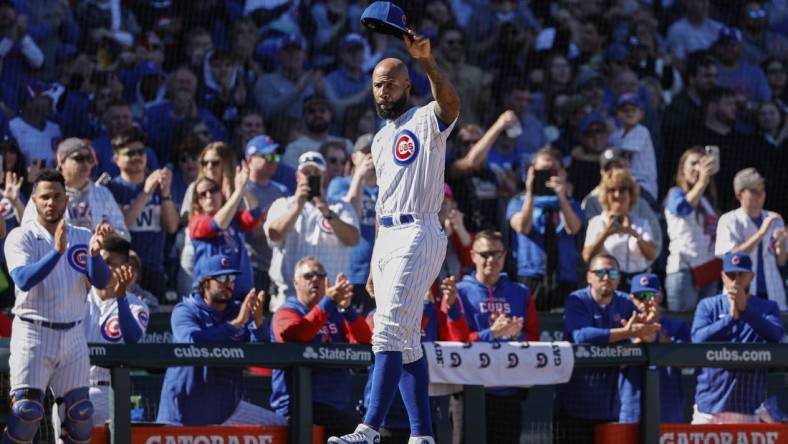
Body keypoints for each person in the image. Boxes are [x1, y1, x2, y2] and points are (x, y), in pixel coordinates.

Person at [329, 25, 461, 444]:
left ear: (407, 85)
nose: (382, 91)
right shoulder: (381, 138)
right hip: (388, 235)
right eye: (376, 85)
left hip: (420, 229)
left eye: (390, 83)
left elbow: (452, 105)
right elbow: (383, 202)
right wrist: (374, 261)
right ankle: (422, 435)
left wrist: (427, 61)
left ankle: (369, 427)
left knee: (385, 331)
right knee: (406, 342)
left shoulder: (425, 118)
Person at [2, 170, 111, 443]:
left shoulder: (83, 235)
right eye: (45, 197)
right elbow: (23, 280)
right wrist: (56, 252)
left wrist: (96, 256)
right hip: (33, 332)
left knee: (80, 415)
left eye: (57, 197)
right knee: (26, 413)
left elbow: (102, 281)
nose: (51, 202)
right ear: (35, 201)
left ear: (66, 200)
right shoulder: (21, 236)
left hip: (73, 334)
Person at [157, 254, 286, 426]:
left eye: (232, 278)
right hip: (183, 410)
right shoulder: (185, 310)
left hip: (227, 411)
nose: (228, 283)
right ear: (205, 282)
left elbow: (262, 353)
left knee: (280, 427)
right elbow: (191, 342)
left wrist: (258, 322)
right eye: (222, 278)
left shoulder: (238, 310)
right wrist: (235, 325)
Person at [553, 254, 659, 444]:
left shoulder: (626, 302)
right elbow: (581, 336)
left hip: (608, 407)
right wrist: (626, 332)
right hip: (574, 403)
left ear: (619, 277)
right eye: (600, 272)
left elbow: (636, 343)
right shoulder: (577, 300)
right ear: (589, 277)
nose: (606, 277)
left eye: (612, 272)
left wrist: (645, 334)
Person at [453, 230, 539, 444]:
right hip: (469, 391)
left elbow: (534, 337)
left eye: (497, 254)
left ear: (505, 256)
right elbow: (456, 341)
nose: (491, 259)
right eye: (485, 254)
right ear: (473, 256)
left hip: (508, 392)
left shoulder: (520, 291)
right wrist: (492, 333)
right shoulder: (460, 292)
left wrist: (517, 335)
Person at [270, 257, 371, 437]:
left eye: (320, 275)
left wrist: (347, 309)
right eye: (308, 275)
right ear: (296, 283)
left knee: (365, 433)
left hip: (337, 408)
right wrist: (328, 302)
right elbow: (297, 334)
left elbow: (364, 342)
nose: (315, 279)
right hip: (297, 408)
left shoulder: (336, 314)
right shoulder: (286, 312)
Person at [691, 252, 785, 423]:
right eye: (730, 274)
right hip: (709, 408)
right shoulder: (708, 305)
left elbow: (776, 335)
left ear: (752, 276)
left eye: (741, 274)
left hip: (747, 408)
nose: (735, 280)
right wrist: (730, 319)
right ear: (722, 276)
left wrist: (745, 311)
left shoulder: (767, 307)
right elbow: (697, 339)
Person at [69, 235, 148, 427]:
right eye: (99, 261)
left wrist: (121, 297)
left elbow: (132, 338)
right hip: (69, 388)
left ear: (125, 266)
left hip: (108, 392)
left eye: (109, 262)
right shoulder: (75, 296)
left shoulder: (136, 306)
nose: (103, 267)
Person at [264, 151, 359, 308]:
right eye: (306, 172)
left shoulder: (340, 207)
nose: (310, 177)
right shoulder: (282, 204)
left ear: (325, 176)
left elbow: (353, 239)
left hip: (330, 297)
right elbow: (274, 235)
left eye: (316, 173)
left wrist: (326, 210)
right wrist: (298, 206)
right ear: (297, 176)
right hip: (289, 297)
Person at [106, 127, 179, 299]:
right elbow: (123, 223)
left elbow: (172, 227)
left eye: (141, 152)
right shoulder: (110, 189)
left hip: (154, 270)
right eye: (130, 153)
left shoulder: (159, 186)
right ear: (116, 159)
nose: (137, 157)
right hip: (124, 270)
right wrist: (145, 193)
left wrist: (166, 192)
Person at [508, 147, 583, 311]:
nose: (547, 175)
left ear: (562, 173)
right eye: (541, 171)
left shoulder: (571, 204)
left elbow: (574, 228)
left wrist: (562, 196)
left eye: (552, 171)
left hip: (564, 276)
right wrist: (530, 191)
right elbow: (523, 227)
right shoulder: (518, 202)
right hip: (531, 275)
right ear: (531, 172)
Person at [21, 138, 130, 241]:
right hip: (59, 257)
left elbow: (124, 235)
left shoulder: (102, 193)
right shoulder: (45, 192)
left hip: (95, 257)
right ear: (62, 161)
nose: (86, 163)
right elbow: (28, 231)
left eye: (89, 158)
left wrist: (108, 235)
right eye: (79, 158)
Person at [618, 273, 691, 424]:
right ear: (632, 299)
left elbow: (687, 361)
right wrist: (639, 336)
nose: (645, 301)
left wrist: (657, 334)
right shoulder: (623, 325)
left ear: (661, 297)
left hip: (668, 409)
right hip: (631, 409)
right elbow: (617, 363)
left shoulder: (677, 326)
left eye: (650, 295)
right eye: (640, 296)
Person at [715, 168, 787, 311]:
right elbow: (731, 256)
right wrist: (761, 233)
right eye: (754, 191)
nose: (760, 195)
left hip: (772, 291)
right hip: (742, 293)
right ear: (739, 194)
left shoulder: (775, 218)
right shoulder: (728, 220)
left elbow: (782, 261)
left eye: (762, 190)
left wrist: (782, 243)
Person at [188, 161, 263, 298]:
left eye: (213, 190)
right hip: (209, 295)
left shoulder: (234, 219)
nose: (209, 196)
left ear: (220, 193)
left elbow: (255, 213)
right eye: (203, 194)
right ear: (198, 201)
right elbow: (218, 224)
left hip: (239, 292)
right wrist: (238, 191)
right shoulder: (196, 221)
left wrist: (244, 188)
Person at [664, 147, 721, 311]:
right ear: (683, 168)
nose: (698, 168)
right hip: (684, 270)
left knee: (707, 323)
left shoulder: (708, 200)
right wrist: (703, 181)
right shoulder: (675, 193)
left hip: (709, 270)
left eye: (702, 163)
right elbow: (682, 208)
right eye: (693, 163)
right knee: (684, 326)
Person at [327, 135, 378, 313]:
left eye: (375, 151)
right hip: (351, 272)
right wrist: (358, 178)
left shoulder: (388, 186)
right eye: (366, 152)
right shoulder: (339, 184)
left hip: (379, 273)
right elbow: (349, 217)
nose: (371, 157)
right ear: (354, 157)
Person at [582, 168, 658, 288]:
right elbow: (587, 256)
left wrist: (632, 232)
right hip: (608, 282)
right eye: (612, 190)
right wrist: (606, 233)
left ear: (631, 195)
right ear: (605, 195)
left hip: (636, 282)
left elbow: (652, 254)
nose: (617, 195)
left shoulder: (641, 223)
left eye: (622, 190)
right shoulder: (596, 223)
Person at [243, 135, 289, 295]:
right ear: (249, 160)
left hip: (277, 267)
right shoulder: (241, 190)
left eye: (276, 156)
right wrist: (274, 227)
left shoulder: (281, 191)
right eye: (267, 156)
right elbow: (245, 232)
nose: (273, 160)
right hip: (251, 267)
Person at [608, 93, 658, 207]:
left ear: (641, 114)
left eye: (633, 110)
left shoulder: (641, 131)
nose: (630, 113)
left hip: (643, 187)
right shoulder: (615, 135)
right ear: (618, 114)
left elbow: (621, 156)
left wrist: (586, 157)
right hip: (622, 185)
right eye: (625, 110)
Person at [281, 94, 352, 170]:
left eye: (322, 110)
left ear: (331, 115)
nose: (317, 114)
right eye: (312, 111)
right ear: (304, 117)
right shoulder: (294, 147)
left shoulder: (346, 144)